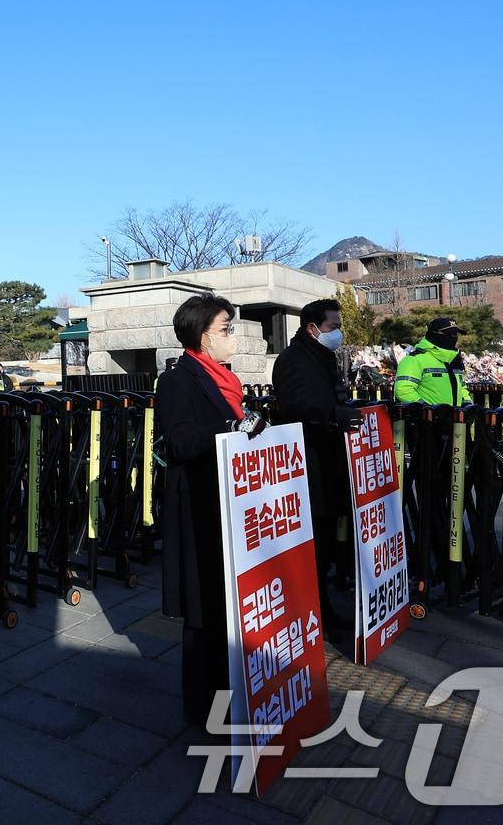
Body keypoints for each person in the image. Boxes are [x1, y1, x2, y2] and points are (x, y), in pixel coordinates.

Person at [155, 293, 266, 724]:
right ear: (202, 337)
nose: (232, 337)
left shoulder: (224, 378)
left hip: (229, 506)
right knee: (205, 616)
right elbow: (182, 441)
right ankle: (206, 714)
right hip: (201, 509)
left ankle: (233, 696)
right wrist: (231, 426)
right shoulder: (180, 379)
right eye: (226, 329)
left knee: (226, 610)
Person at [271, 299, 363, 629]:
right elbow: (295, 409)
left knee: (325, 540)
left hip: (327, 460)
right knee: (315, 542)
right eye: (333, 327)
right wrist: (333, 416)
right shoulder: (294, 360)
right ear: (312, 328)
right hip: (310, 466)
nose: (337, 333)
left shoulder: (320, 356)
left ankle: (320, 602)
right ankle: (315, 611)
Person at [393, 317, 473, 406]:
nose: (453, 337)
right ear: (433, 334)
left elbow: (461, 388)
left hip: (455, 418)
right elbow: (403, 390)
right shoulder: (414, 360)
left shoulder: (454, 360)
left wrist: (467, 404)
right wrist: (428, 410)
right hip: (426, 419)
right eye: (448, 333)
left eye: (455, 334)